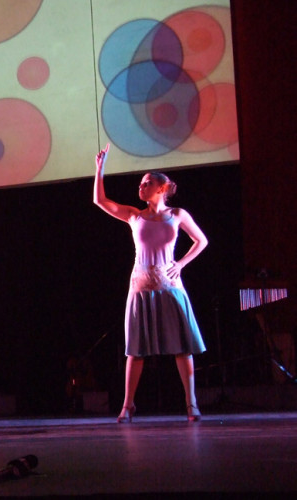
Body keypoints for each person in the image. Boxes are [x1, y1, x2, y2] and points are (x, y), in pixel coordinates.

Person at [93, 144, 208, 423]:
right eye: (140, 183)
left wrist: (179, 264)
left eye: (147, 183)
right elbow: (101, 201)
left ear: (162, 188)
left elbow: (201, 241)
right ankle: (127, 405)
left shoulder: (177, 215)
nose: (141, 187)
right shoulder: (135, 215)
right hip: (141, 287)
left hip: (169, 286)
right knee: (136, 349)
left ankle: (191, 403)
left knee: (182, 346)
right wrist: (100, 169)